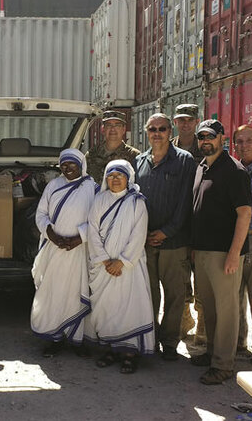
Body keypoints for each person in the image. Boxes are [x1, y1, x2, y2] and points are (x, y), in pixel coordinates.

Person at [191, 120, 252, 385]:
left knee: (227, 310)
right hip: (203, 251)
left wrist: (233, 254)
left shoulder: (234, 171)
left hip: (224, 253)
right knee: (210, 308)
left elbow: (244, 213)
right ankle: (213, 352)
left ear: (222, 138)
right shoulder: (202, 166)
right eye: (201, 137)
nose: (206, 141)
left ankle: (224, 364)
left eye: (211, 136)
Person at [134, 113, 196, 361]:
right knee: (148, 293)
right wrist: (144, 233)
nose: (157, 133)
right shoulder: (139, 161)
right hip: (145, 242)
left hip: (174, 242)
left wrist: (167, 231)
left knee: (174, 295)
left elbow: (186, 202)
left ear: (170, 132)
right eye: (152, 129)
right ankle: (150, 339)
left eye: (162, 128)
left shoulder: (184, 161)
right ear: (147, 132)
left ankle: (170, 342)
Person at [86, 159, 154, 374]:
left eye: (120, 175)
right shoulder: (99, 200)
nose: (115, 179)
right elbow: (92, 231)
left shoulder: (137, 202)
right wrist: (105, 260)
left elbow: (138, 234)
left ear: (128, 178)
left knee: (130, 308)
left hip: (129, 268)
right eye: (111, 175)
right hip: (103, 266)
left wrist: (122, 262)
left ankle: (130, 353)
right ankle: (111, 349)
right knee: (106, 309)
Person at [31, 148, 96, 357]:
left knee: (78, 293)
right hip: (55, 249)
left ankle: (77, 340)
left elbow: (97, 221)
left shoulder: (92, 188)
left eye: (72, 165)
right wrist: (51, 233)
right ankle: (55, 337)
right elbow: (41, 214)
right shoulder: (53, 185)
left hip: (79, 251)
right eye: (64, 166)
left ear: (81, 166)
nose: (68, 169)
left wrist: (79, 238)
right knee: (54, 292)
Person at [172, 103, 205, 344]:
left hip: (201, 222)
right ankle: (184, 323)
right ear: (175, 122)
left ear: (196, 122)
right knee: (180, 279)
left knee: (202, 279)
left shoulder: (205, 148)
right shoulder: (166, 148)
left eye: (189, 120)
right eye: (181, 120)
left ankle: (202, 330)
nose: (185, 124)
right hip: (177, 224)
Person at [233, 125, 252, 366]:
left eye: (248, 141)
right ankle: (238, 343)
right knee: (235, 291)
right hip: (235, 238)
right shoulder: (233, 171)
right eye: (239, 142)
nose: (244, 146)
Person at [86, 110, 140, 184]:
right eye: (109, 125)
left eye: (117, 125)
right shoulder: (92, 154)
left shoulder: (134, 156)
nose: (113, 129)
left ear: (124, 129)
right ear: (103, 129)